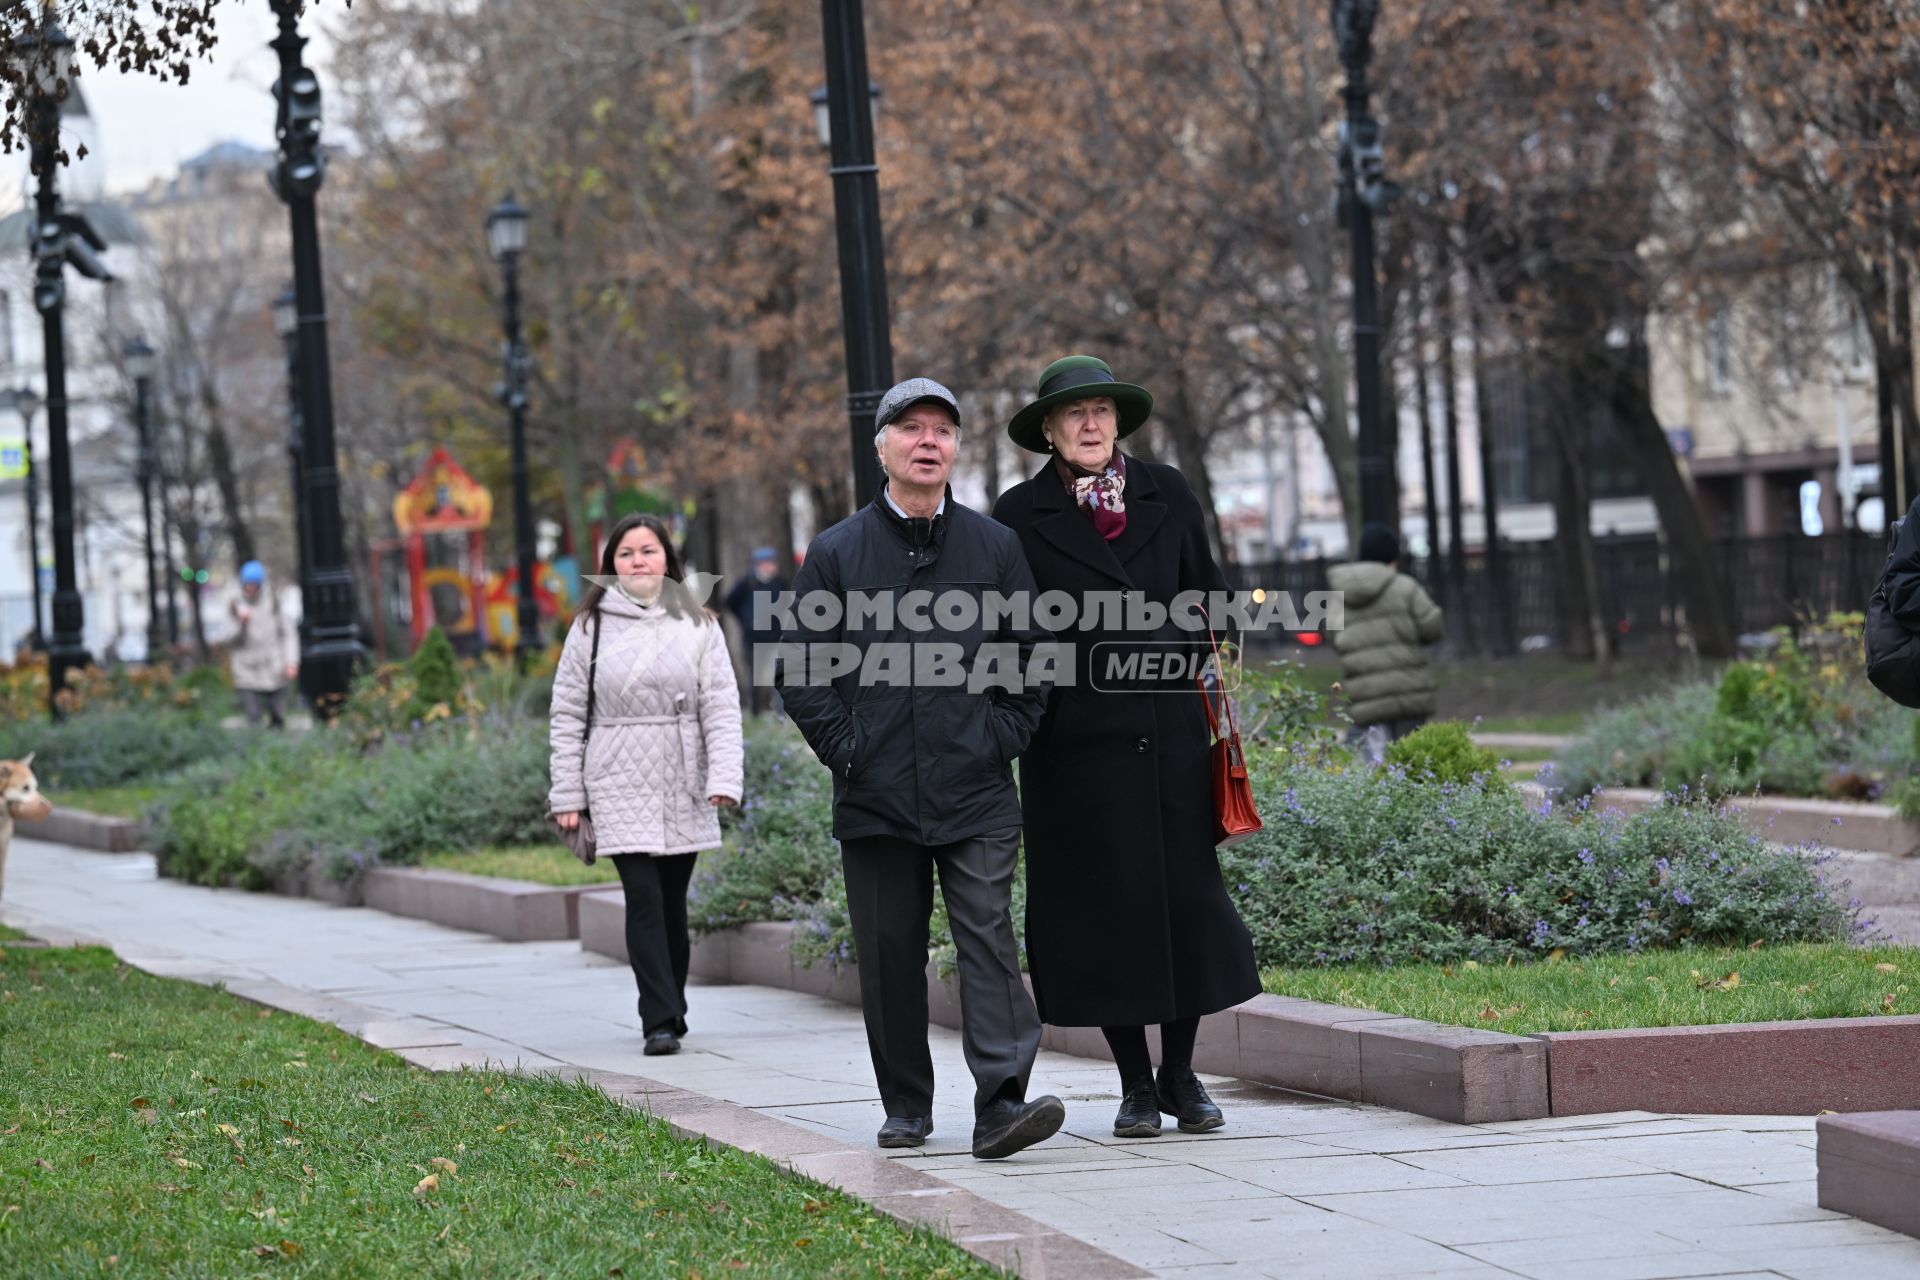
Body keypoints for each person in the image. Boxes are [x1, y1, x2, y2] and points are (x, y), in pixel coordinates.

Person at [780, 376, 1063, 1160]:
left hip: (974, 786)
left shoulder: (993, 547)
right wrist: (850, 749)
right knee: (889, 948)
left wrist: (1000, 733)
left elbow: (1030, 658)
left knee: (989, 941)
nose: (929, 441)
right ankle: (905, 1105)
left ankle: (1002, 1102)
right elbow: (802, 669)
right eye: (912, 429)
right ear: (883, 448)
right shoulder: (837, 552)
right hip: (876, 795)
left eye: (943, 429)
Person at [991, 355, 1261, 1139]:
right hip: (1073, 752)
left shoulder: (1167, 491)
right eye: (1072, 413)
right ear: (1047, 429)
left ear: (1119, 422)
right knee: (1103, 915)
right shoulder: (1017, 516)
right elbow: (1009, 637)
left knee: (1184, 907)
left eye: (1101, 410)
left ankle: (1182, 1075)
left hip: (1169, 736)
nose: (1089, 424)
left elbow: (1209, 598)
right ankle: (1136, 1085)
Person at [548, 513, 744, 1057]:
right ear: (611, 564)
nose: (638, 561)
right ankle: (657, 1018)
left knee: (673, 904)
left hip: (684, 774)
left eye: (649, 551)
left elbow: (722, 707)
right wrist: (567, 796)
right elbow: (566, 713)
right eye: (627, 553)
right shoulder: (589, 627)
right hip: (615, 772)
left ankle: (671, 1003)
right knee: (642, 896)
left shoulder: (700, 622)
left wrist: (725, 777)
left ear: (667, 560)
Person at [1327, 522, 1444, 758]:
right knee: (1411, 763)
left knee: (1373, 765)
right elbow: (1432, 628)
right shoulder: (1405, 587)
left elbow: (1333, 636)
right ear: (1393, 557)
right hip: (1408, 692)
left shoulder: (1339, 595)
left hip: (1365, 694)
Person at [229, 560, 298, 728]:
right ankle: (256, 748)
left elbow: (288, 633)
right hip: (246, 668)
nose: (251, 588)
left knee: (278, 715)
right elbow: (227, 639)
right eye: (248, 584)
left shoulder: (273, 601)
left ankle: (278, 749)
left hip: (274, 665)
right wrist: (240, 623)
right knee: (253, 717)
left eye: (254, 584)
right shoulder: (234, 604)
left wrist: (291, 662)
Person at [724, 546, 789, 715]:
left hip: (775, 637)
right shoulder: (747, 583)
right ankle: (755, 711)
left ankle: (781, 711)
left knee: (778, 675)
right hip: (753, 638)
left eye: (772, 563)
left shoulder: (780, 583)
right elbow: (730, 601)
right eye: (765, 563)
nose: (769, 567)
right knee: (755, 675)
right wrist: (745, 619)